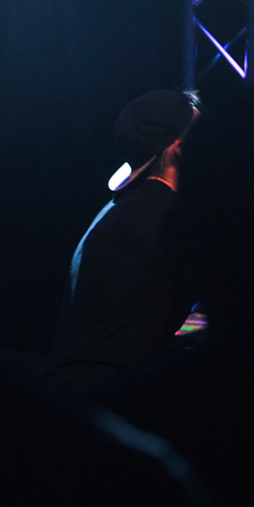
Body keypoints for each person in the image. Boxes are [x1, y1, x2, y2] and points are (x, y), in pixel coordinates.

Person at [44, 88, 198, 388]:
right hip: (104, 396)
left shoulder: (124, 206)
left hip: (73, 390)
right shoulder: (166, 217)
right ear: (181, 149)